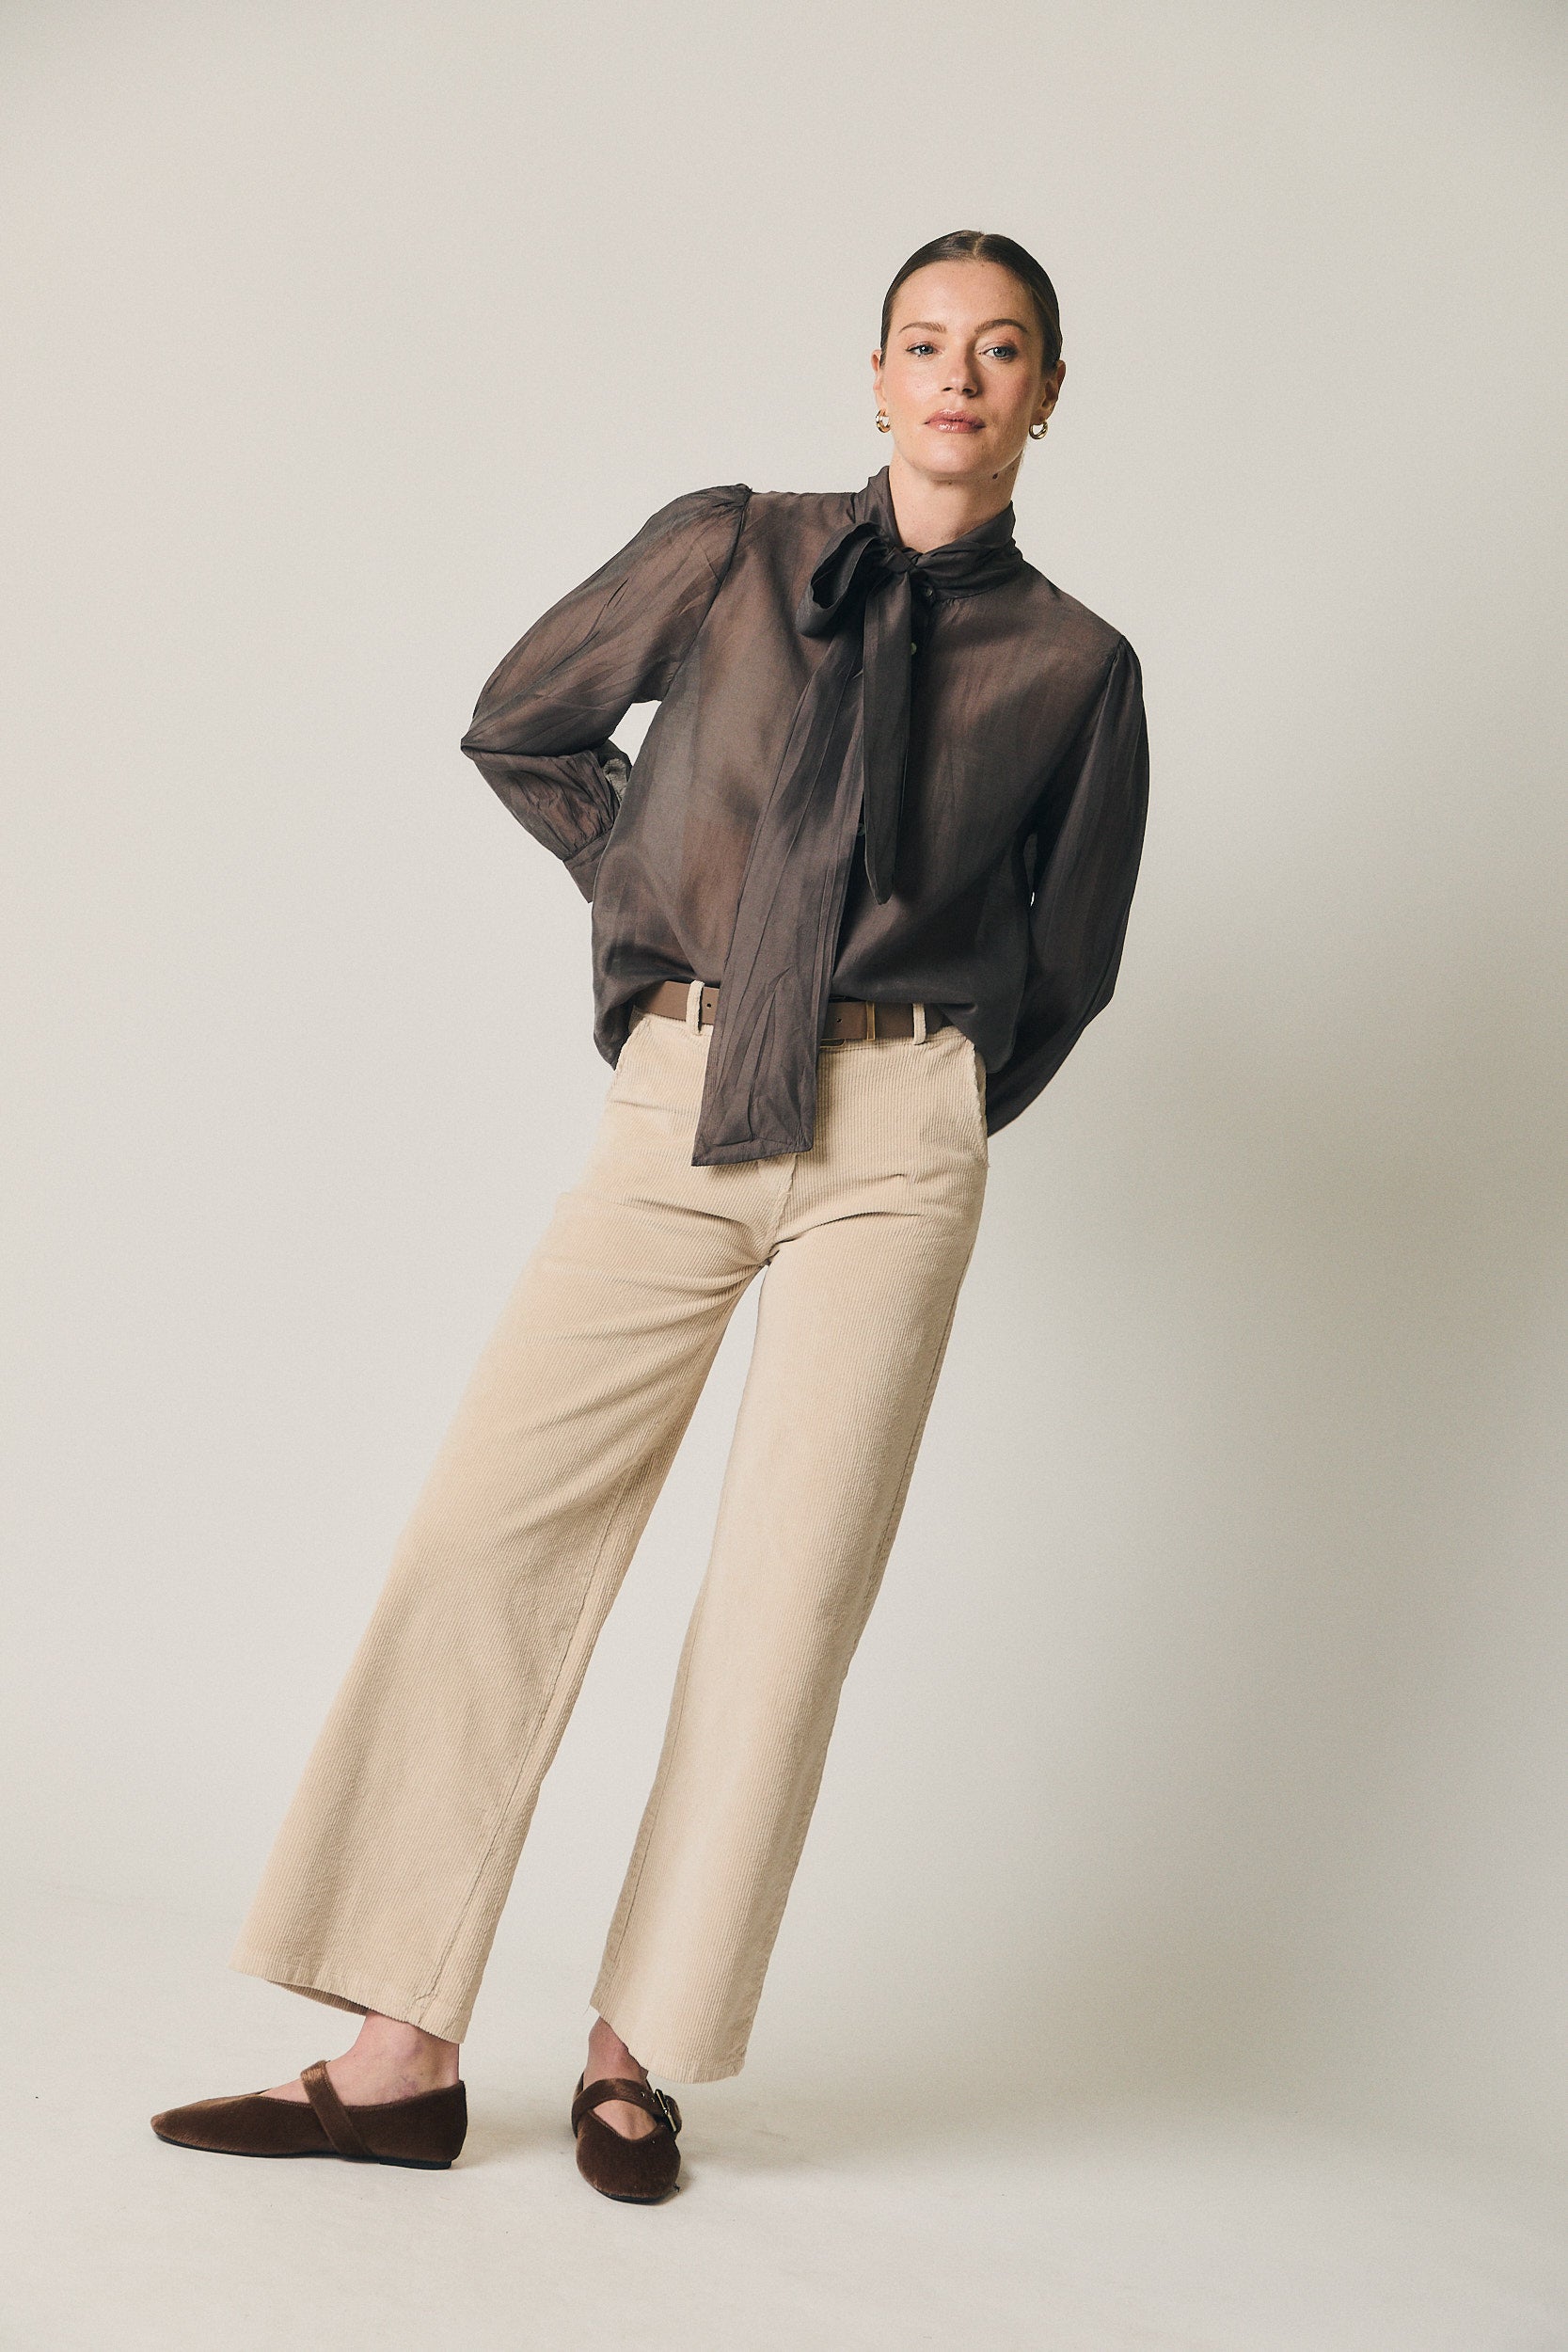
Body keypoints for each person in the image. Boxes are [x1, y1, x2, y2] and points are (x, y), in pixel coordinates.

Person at [150, 229, 1150, 2202]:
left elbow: (1071, 958)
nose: (958, 378)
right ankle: (398, 2051)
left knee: (785, 1606)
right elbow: (525, 721)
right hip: (685, 1087)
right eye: (926, 343)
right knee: (490, 1525)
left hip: (898, 1132)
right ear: (876, 377)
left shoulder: (1079, 668)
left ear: (1048, 395)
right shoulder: (731, 549)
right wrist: (659, 891)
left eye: (1000, 350)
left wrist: (929, 1100)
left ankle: (636, 2055)